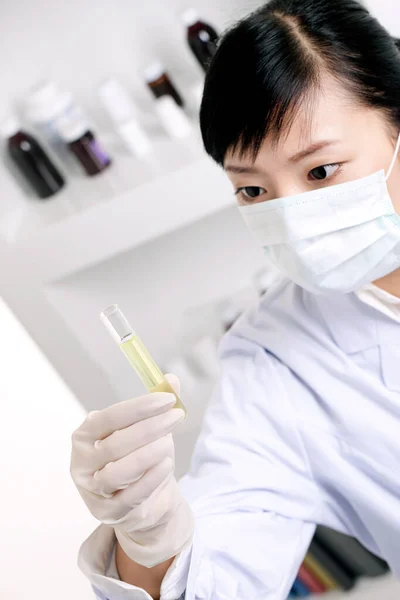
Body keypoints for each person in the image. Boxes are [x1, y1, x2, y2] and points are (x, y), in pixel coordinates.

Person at [70, 0, 400, 598]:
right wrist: (149, 537)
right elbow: (221, 573)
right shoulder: (276, 358)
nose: (292, 215)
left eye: (321, 172)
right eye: (252, 188)